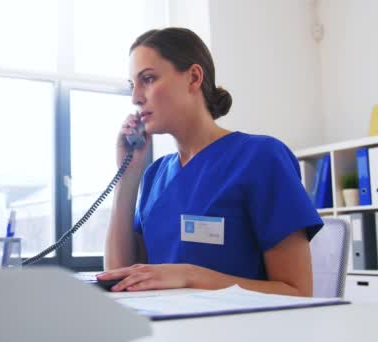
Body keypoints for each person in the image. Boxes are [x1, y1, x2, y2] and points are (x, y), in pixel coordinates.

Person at [98, 27, 323, 296]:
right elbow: (120, 279)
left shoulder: (261, 158)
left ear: (193, 78)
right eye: (132, 85)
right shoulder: (154, 175)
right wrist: (127, 176)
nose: (135, 97)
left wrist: (189, 275)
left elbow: (297, 292)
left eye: (148, 79)